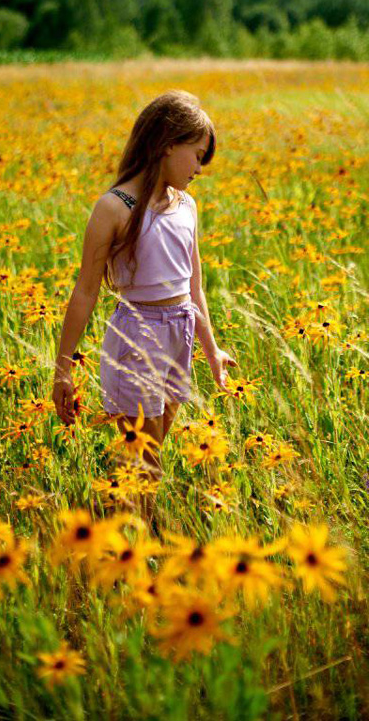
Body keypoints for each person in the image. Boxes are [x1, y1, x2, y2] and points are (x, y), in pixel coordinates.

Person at [52, 89, 237, 531]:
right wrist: (62, 368)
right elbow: (85, 291)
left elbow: (194, 287)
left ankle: (112, 525)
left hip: (180, 336)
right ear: (167, 143)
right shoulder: (116, 206)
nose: (199, 169)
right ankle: (140, 550)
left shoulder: (187, 205)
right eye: (196, 155)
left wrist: (211, 351)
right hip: (137, 339)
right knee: (147, 462)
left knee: (144, 459)